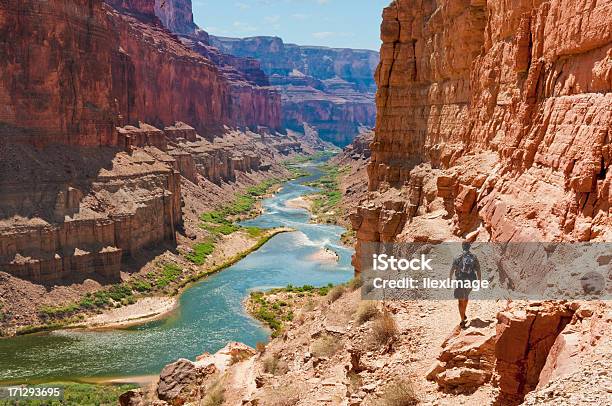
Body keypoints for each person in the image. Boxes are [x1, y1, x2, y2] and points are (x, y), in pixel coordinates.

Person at [449, 242, 481, 328]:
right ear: (469, 247)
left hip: (460, 279)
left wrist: (450, 279)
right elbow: (478, 269)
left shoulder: (457, 256)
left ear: (462, 246)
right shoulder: (474, 257)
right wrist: (479, 281)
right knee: (466, 296)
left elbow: (452, 269)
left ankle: (462, 320)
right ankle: (464, 313)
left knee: (460, 300)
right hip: (470, 280)